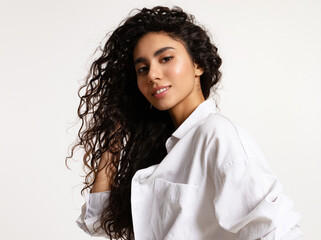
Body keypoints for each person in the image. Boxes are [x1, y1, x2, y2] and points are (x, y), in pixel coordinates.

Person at [69, 6, 302, 240]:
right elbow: (98, 222)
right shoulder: (159, 151)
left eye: (166, 58)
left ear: (198, 64)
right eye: (142, 68)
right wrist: (112, 142)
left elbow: (277, 231)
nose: (152, 74)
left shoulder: (216, 135)